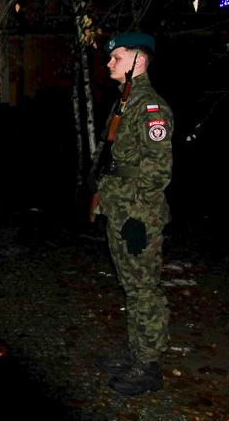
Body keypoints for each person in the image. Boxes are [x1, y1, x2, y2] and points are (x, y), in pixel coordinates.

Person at [92, 32, 173, 396]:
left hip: (138, 214)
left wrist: (139, 217)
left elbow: (157, 170)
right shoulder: (124, 103)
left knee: (144, 290)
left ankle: (149, 366)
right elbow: (113, 160)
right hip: (120, 207)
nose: (110, 63)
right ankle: (137, 352)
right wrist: (100, 197)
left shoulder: (151, 108)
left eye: (117, 57)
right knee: (131, 287)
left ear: (138, 61)